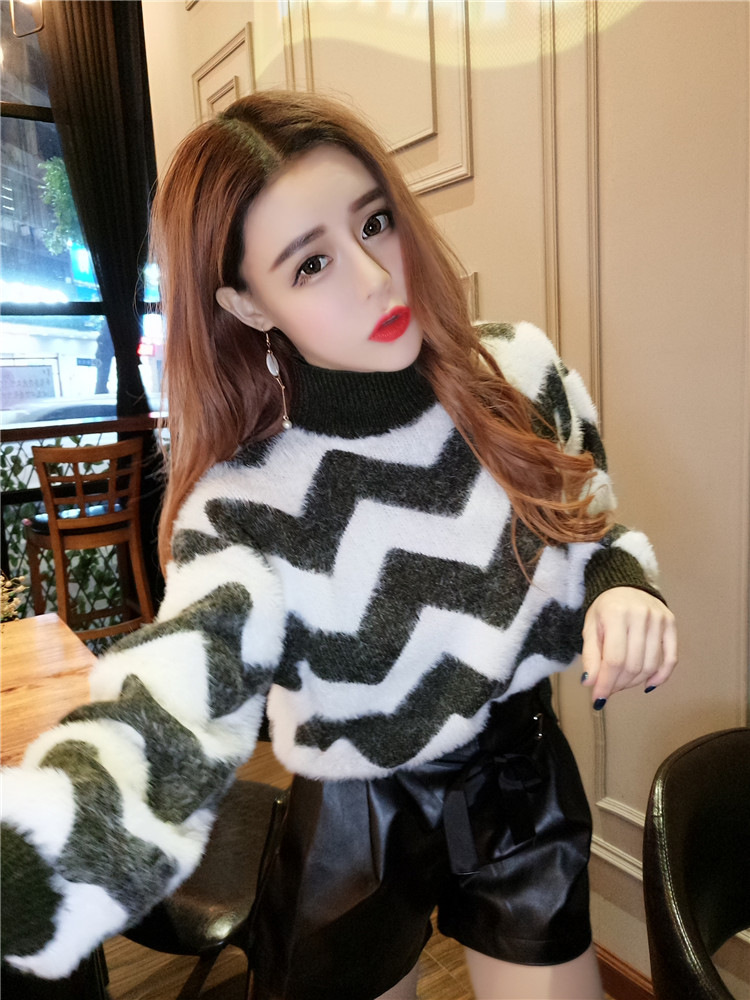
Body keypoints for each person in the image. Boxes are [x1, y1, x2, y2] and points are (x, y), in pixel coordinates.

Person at [1, 90, 677, 1000]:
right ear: (247, 302)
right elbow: (185, 679)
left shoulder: (518, 373)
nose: (373, 276)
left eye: (375, 222)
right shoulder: (244, 503)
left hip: (519, 776)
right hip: (360, 812)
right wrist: (47, 851)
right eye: (311, 263)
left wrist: (623, 585)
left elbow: (589, 523)